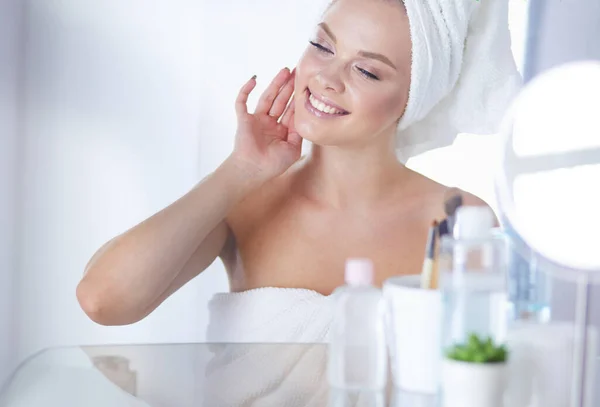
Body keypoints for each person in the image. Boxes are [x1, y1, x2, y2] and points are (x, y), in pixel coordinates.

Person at [76, 0, 520, 332]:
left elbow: (481, 372)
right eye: (322, 46)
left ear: (414, 96)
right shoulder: (247, 201)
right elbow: (103, 301)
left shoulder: (458, 219)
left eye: (367, 71)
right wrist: (239, 171)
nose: (327, 78)